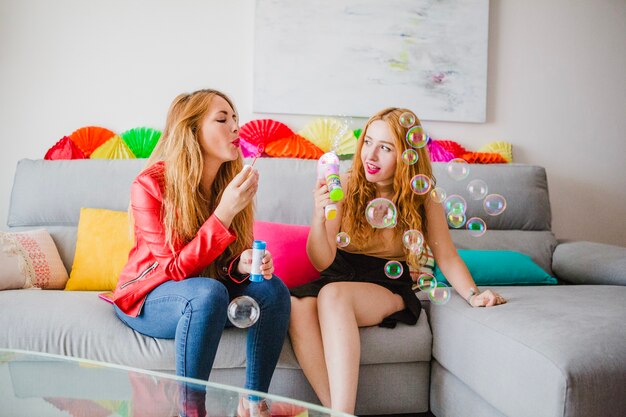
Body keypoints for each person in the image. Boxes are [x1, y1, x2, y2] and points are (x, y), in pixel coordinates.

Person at [289, 108, 507, 414]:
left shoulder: (424, 196)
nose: (371, 155)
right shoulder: (346, 184)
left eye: (386, 148)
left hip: (386, 282)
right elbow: (323, 261)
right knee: (297, 307)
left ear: (407, 155)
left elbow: (445, 254)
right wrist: (318, 212)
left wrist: (473, 295)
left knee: (332, 295)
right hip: (339, 273)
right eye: (368, 142)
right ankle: (338, 412)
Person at [112, 88, 291, 417]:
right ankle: (191, 413)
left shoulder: (229, 183)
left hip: (206, 293)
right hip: (148, 299)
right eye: (222, 119)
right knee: (207, 294)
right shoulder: (149, 185)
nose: (236, 127)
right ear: (191, 131)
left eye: (235, 118)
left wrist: (242, 264)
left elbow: (222, 268)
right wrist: (223, 213)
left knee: (272, 289)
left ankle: (253, 404)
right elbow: (175, 269)